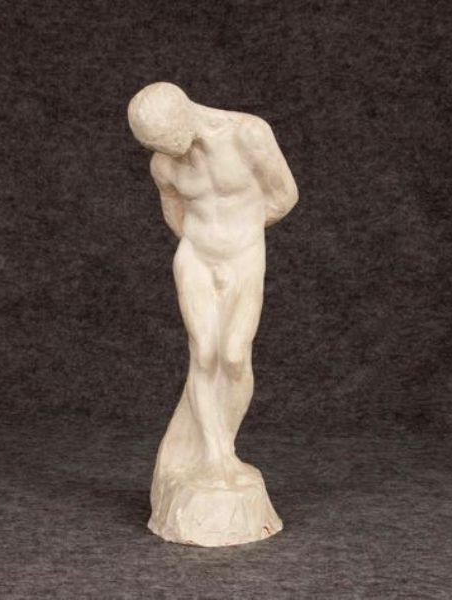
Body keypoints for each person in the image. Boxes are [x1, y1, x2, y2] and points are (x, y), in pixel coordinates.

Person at [128, 82, 298, 485]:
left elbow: (285, 195)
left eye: (166, 140)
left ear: (183, 115)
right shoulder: (163, 164)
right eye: (154, 145)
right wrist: (202, 243)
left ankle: (226, 446)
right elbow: (174, 212)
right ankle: (215, 454)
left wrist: (239, 236)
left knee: (235, 355)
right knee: (203, 353)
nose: (165, 151)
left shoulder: (247, 134)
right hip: (196, 257)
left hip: (243, 255)